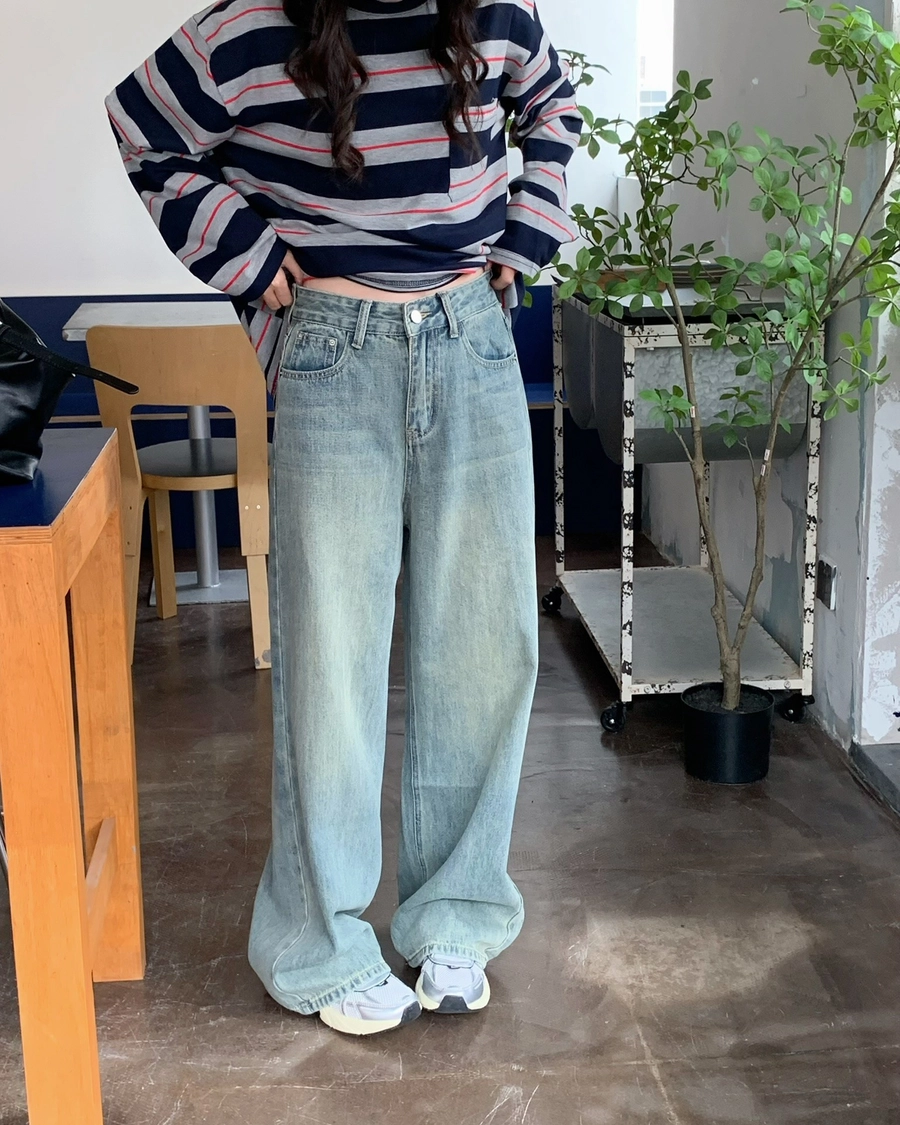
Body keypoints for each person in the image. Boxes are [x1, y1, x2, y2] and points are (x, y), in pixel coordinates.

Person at [106, 0, 581, 1037]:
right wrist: (246, 253)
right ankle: (317, 941)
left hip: (471, 332)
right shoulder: (250, 26)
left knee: (485, 645)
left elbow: (552, 102)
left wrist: (531, 229)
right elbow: (141, 123)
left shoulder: (493, 10)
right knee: (328, 659)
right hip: (330, 342)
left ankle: (455, 915)